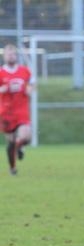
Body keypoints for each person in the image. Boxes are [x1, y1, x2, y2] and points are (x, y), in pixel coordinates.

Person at [0, 44, 34, 176]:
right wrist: (3, 89)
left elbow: (32, 83)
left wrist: (30, 90)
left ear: (16, 56)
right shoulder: (1, 72)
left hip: (21, 110)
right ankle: (13, 168)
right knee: (11, 142)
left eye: (13, 54)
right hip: (6, 112)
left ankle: (19, 148)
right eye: (8, 54)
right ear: (4, 56)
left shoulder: (24, 71)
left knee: (27, 136)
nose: (11, 56)